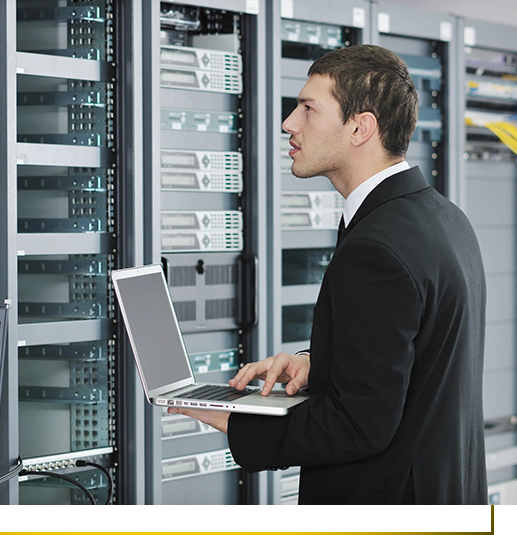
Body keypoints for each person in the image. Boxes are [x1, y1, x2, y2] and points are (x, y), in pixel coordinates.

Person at [168, 45, 488, 505]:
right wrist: (320, 362)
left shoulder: (376, 248)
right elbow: (419, 362)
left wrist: (241, 420)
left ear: (361, 127)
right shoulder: (443, 218)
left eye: (308, 109)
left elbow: (361, 426)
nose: (288, 124)